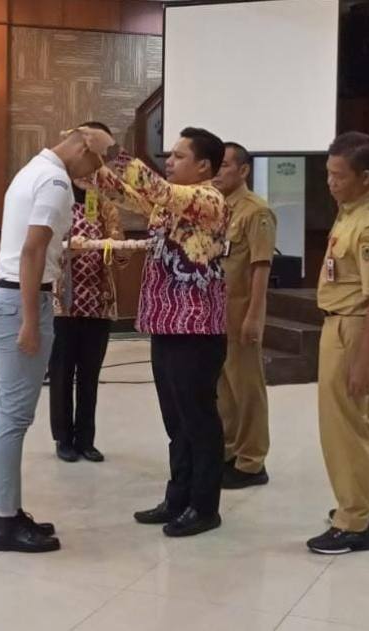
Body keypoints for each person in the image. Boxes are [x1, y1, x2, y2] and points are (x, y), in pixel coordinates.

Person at [83, 125, 228, 538]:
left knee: (198, 419)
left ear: (204, 166)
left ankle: (204, 507)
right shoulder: (168, 204)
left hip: (196, 328)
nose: (170, 161)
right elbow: (123, 193)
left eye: (180, 156)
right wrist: (89, 163)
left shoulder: (208, 200)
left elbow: (156, 189)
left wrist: (113, 150)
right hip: (165, 324)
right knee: (175, 421)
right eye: (170, 155)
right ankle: (178, 497)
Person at [0, 129, 103, 553]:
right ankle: (4, 524)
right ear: (83, 147)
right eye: (98, 161)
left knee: (2, 411)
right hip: (23, 301)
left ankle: (6, 509)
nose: (96, 171)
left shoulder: (32, 170)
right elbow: (33, 251)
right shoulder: (54, 181)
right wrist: (32, 321)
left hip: (4, 296)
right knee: (14, 417)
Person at [306, 131, 369, 555]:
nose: (331, 183)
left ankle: (354, 524)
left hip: (357, 328)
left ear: (365, 177)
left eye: (339, 176)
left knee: (345, 428)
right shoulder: (353, 207)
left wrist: (363, 361)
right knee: (355, 424)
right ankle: (357, 506)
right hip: (344, 323)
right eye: (328, 173)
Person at [49, 121, 128, 464]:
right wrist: (69, 250)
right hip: (62, 300)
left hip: (98, 299)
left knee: (90, 374)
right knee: (62, 371)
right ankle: (63, 438)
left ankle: (86, 438)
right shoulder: (56, 192)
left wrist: (116, 247)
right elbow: (43, 245)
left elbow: (119, 248)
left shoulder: (103, 200)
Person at [213, 142, 276, 489]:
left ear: (244, 170)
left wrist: (254, 316)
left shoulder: (256, 211)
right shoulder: (216, 207)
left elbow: (260, 267)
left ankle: (252, 461)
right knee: (224, 388)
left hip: (241, 312)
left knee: (247, 387)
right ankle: (230, 450)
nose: (217, 172)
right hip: (216, 312)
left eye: (224, 165)